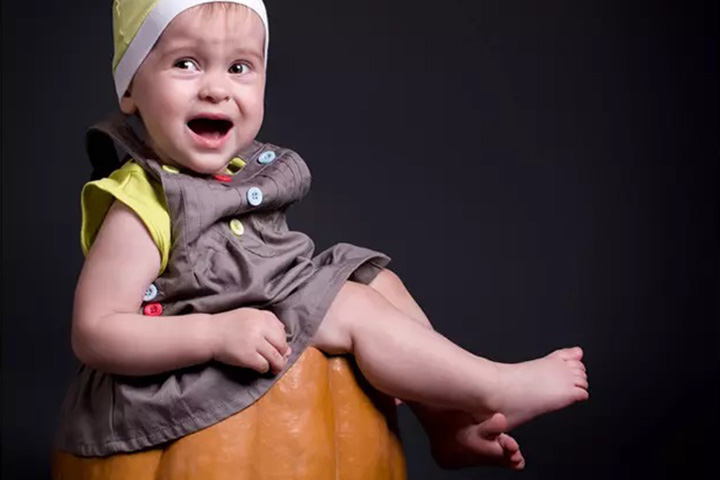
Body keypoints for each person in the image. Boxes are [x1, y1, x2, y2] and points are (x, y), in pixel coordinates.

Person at [54, 0, 589, 470]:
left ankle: (446, 426)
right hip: (176, 380)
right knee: (352, 308)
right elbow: (96, 331)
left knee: (377, 283)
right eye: (185, 64)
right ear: (130, 88)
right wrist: (214, 335)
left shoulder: (241, 171)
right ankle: (491, 387)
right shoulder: (142, 201)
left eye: (240, 67)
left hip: (260, 316)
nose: (216, 87)